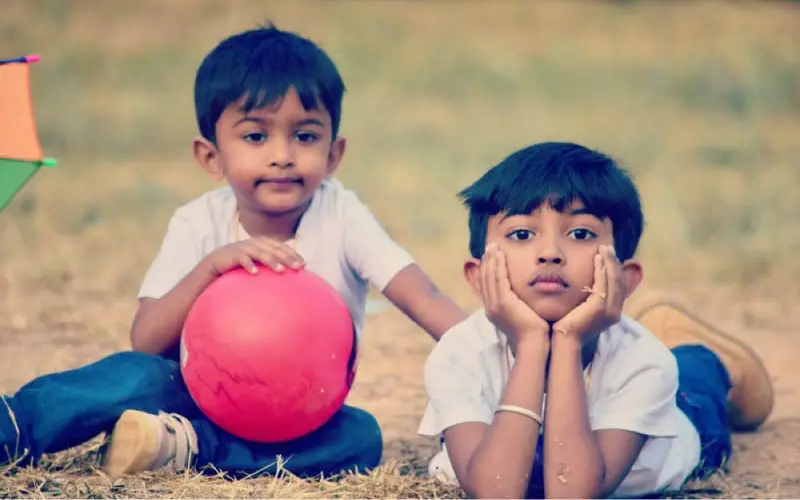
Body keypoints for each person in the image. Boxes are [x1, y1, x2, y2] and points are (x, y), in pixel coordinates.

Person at [0, 24, 466, 479]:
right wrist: (210, 268)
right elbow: (146, 341)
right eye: (256, 137)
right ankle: (14, 426)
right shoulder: (197, 221)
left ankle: (179, 445)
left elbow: (422, 297)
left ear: (333, 155)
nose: (282, 155)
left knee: (360, 438)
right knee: (134, 374)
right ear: (211, 156)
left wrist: (489, 350)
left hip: (297, 411)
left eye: (305, 136)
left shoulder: (344, 217)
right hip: (194, 392)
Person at [417, 141, 775, 498]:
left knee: (693, 382)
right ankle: (667, 326)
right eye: (522, 234)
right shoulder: (459, 354)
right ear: (479, 276)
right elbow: (495, 492)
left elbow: (573, 493)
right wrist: (532, 344)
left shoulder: (645, 363)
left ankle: (708, 355)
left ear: (624, 279)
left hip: (680, 418)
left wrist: (568, 341)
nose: (550, 253)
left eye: (580, 233)